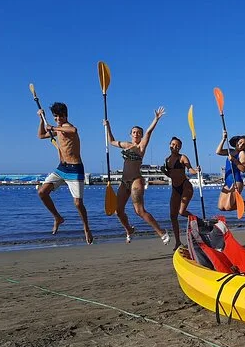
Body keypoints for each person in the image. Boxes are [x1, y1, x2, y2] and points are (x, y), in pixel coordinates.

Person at [104, 107, 170, 245]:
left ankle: (162, 233)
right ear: (130, 134)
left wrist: (156, 119)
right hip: (124, 181)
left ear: (141, 136)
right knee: (118, 211)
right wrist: (107, 126)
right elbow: (111, 141)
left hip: (136, 180)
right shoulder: (125, 144)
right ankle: (129, 230)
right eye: (134, 132)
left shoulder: (141, 146)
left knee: (139, 211)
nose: (136, 134)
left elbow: (149, 132)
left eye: (139, 133)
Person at [36, 102, 93, 244]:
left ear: (66, 116)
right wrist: (41, 119)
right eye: (55, 117)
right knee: (42, 192)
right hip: (61, 168)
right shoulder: (59, 129)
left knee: (78, 204)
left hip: (75, 169)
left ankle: (86, 228)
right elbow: (41, 135)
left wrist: (53, 127)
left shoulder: (66, 127)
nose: (57, 119)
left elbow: (73, 130)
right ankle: (57, 217)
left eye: (60, 116)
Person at [163, 137, 200, 250]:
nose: (175, 146)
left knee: (182, 212)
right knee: (173, 216)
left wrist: (196, 171)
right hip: (175, 189)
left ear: (180, 147)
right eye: (173, 144)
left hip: (185, 187)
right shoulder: (167, 160)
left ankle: (198, 221)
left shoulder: (182, 157)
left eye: (178, 145)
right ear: (170, 145)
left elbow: (190, 169)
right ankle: (178, 242)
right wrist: (164, 172)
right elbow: (171, 175)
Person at [216, 132, 245, 215]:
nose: (241, 145)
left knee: (228, 207)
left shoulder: (242, 153)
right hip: (227, 182)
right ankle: (244, 205)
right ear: (236, 142)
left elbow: (243, 169)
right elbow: (218, 152)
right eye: (240, 142)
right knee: (221, 207)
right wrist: (223, 139)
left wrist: (234, 160)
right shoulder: (230, 151)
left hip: (236, 181)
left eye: (244, 144)